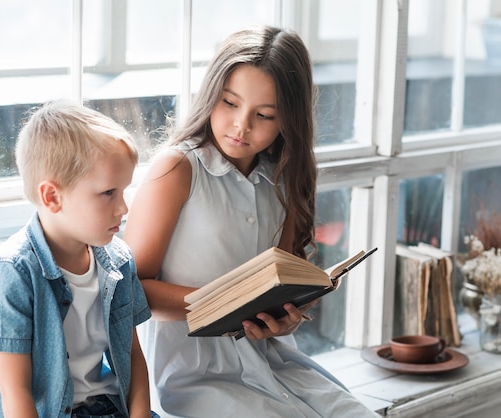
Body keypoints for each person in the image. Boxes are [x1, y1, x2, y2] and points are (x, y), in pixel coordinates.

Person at [123, 26, 378, 417]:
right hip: (192, 373)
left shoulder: (283, 180)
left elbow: (281, 280)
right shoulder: (177, 169)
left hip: (272, 361)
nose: (241, 125)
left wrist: (285, 320)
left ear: (287, 121)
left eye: (264, 115)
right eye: (229, 103)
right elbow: (132, 290)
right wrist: (226, 305)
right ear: (211, 94)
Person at [0, 100, 158, 418]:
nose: (123, 208)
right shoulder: (10, 276)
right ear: (52, 197)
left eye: (124, 191)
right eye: (109, 192)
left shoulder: (119, 261)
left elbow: (134, 359)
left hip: (108, 408)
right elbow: (16, 393)